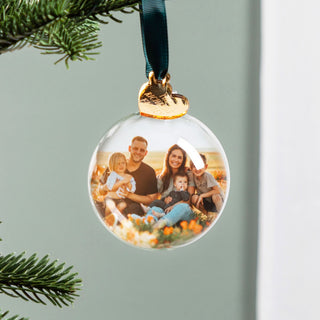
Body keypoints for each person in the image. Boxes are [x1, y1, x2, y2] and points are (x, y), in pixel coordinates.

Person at [153, 145, 195, 228]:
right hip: (166, 212)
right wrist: (164, 200)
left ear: (183, 160)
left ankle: (161, 223)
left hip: (183, 214)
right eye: (173, 156)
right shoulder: (162, 177)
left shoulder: (188, 174)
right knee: (155, 209)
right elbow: (155, 197)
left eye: (179, 157)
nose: (176, 160)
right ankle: (146, 224)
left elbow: (188, 201)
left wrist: (173, 206)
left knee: (183, 206)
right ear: (168, 157)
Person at [117, 136, 158, 217]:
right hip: (112, 203)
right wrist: (105, 188)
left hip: (133, 208)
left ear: (145, 153)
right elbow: (101, 189)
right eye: (135, 148)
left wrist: (128, 194)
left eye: (142, 150)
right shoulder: (116, 164)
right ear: (130, 148)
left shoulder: (149, 172)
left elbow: (151, 199)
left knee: (133, 209)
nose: (138, 152)